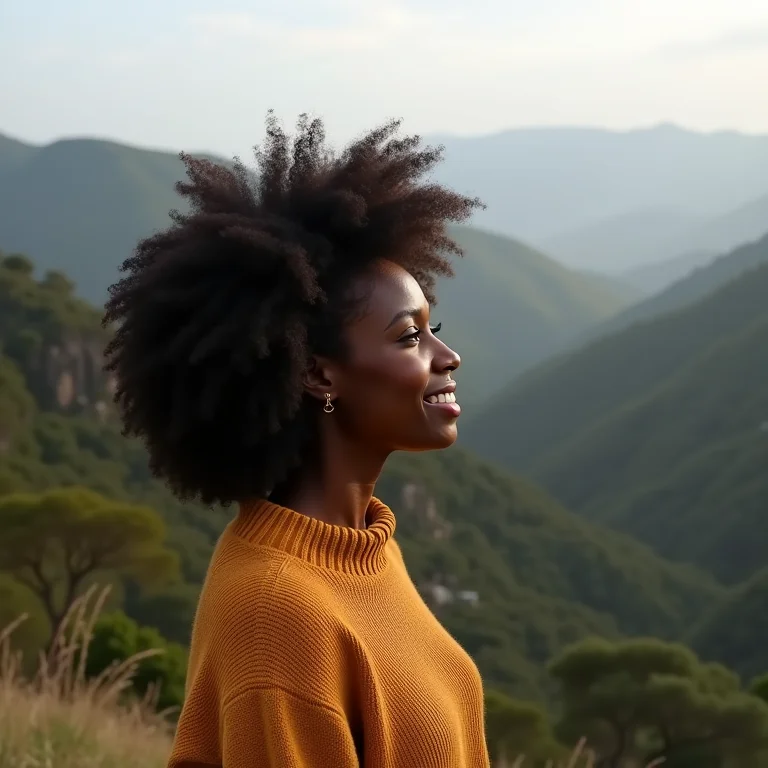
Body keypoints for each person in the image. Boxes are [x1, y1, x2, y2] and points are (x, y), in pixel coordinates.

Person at [103, 113, 490, 767]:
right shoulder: (278, 612)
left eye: (433, 329)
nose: (446, 356)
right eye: (409, 336)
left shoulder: (363, 546)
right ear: (317, 373)